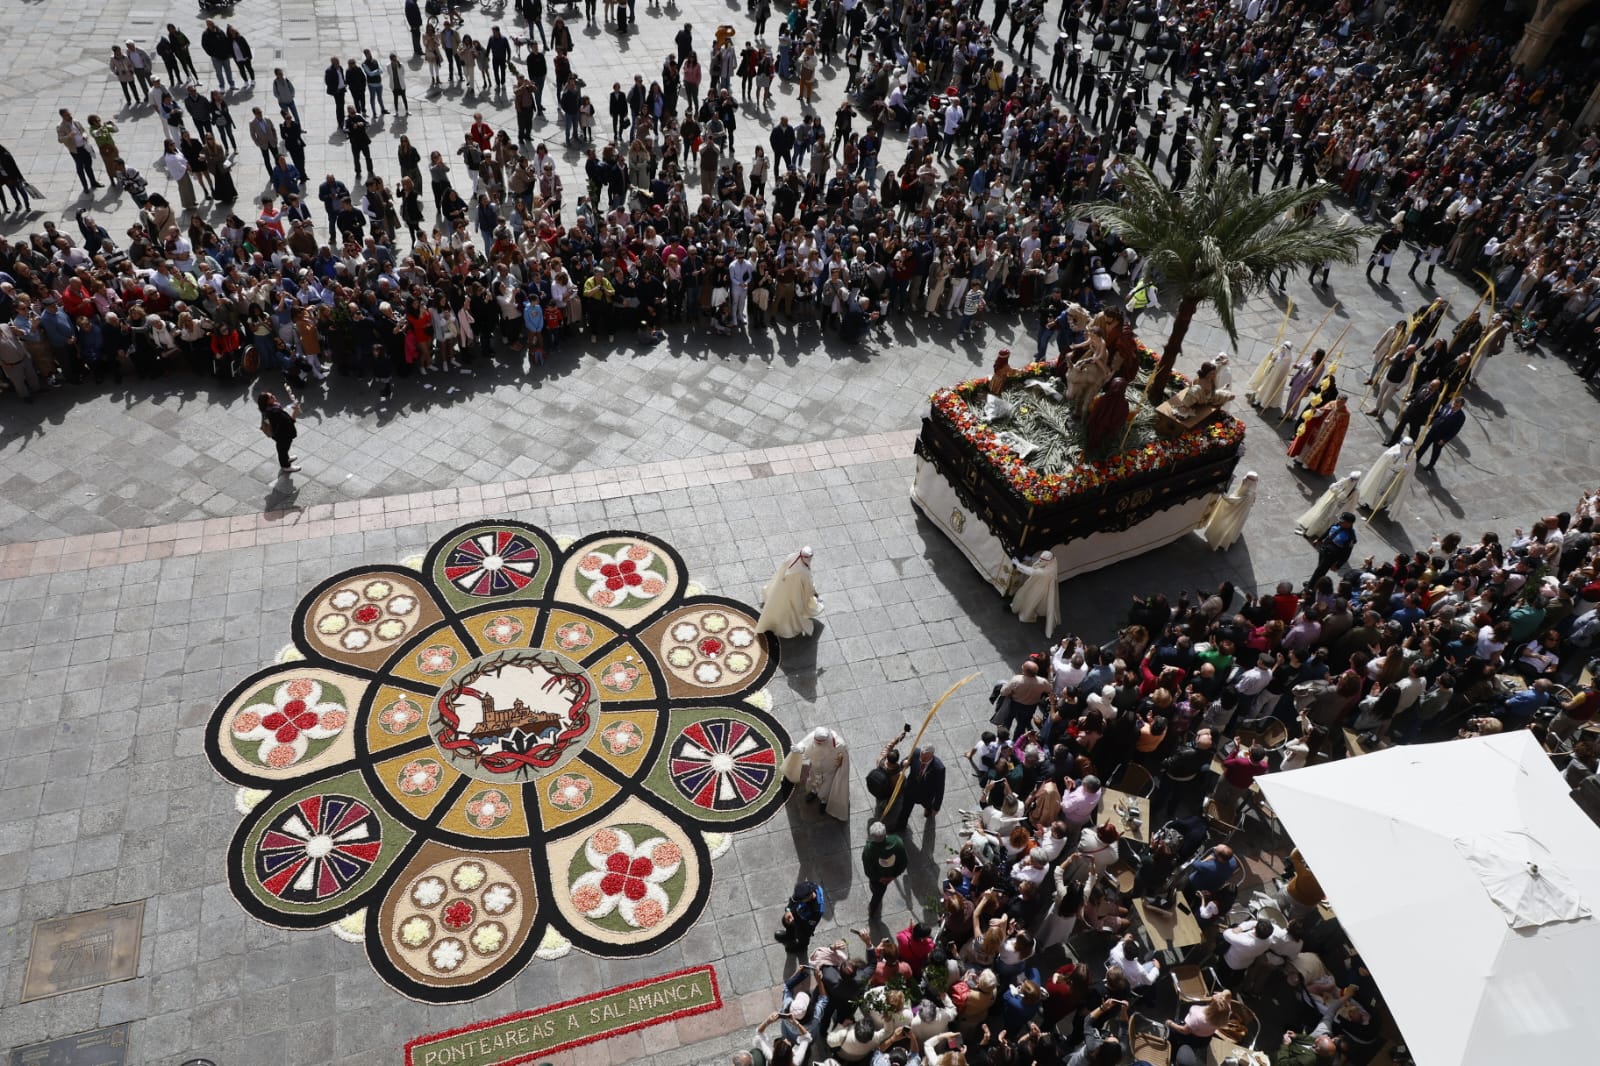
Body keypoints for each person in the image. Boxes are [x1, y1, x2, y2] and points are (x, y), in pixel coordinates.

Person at [781, 726, 851, 820]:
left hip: (829, 772)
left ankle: (824, 801)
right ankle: (813, 792)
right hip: (814, 768)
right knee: (812, 782)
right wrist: (800, 748)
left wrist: (840, 771)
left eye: (820, 743)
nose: (817, 744)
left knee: (826, 789)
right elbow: (805, 743)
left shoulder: (839, 745)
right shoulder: (815, 736)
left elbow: (844, 758)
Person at [755, 547, 823, 638]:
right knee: (793, 608)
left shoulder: (791, 557)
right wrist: (814, 593)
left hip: (781, 587)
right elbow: (808, 587)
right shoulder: (803, 572)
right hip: (795, 593)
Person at [1200, 471, 1258, 550]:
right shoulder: (1253, 490)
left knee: (1228, 523)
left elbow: (1234, 501)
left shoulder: (1248, 493)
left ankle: (1221, 541)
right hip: (1242, 511)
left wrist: (1223, 495)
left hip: (1236, 511)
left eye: (1247, 479)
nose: (1244, 480)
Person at [1358, 438, 1415, 518]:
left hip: (1396, 478)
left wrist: (1406, 468)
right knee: (1376, 490)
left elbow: (1409, 470)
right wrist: (1396, 455)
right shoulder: (1396, 448)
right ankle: (1368, 504)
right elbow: (1386, 456)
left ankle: (1380, 506)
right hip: (1386, 473)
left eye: (1405, 446)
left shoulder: (1412, 456)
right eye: (1402, 444)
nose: (1402, 447)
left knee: (1387, 494)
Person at [861, 821, 907, 914]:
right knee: (879, 893)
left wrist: (879, 878)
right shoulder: (897, 842)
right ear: (885, 832)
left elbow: (868, 870)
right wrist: (893, 876)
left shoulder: (868, 850)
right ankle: (873, 906)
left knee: (876, 891)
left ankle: (872, 909)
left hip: (877, 879)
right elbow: (904, 862)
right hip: (890, 875)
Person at [1009, 550, 1060, 635]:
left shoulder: (1045, 572)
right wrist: (1030, 558)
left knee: (1031, 600)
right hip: (1039, 583)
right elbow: (1040, 560)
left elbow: (1030, 571)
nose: (1040, 561)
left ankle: (1026, 615)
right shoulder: (1053, 560)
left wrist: (1017, 564)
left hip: (1039, 588)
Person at [1297, 471, 1361, 535]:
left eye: (1353, 480)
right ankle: (1312, 530)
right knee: (1322, 515)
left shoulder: (1356, 492)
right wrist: (1340, 488)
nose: (1351, 481)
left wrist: (1344, 513)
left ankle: (1321, 533)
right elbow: (1332, 488)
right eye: (1350, 479)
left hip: (1339, 508)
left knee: (1330, 520)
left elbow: (1351, 505)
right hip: (1331, 502)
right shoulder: (1343, 481)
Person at [1309, 513, 1358, 587]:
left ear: (1349, 523)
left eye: (1343, 521)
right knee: (1319, 569)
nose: (1340, 522)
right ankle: (1316, 583)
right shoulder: (1337, 525)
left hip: (1331, 556)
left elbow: (1347, 553)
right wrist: (1319, 540)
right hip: (1324, 549)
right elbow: (1328, 531)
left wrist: (1338, 565)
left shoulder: (1350, 537)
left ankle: (1310, 587)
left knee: (1319, 572)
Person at [257, 390, 300, 475]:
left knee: (283, 449)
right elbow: (289, 421)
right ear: (267, 402)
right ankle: (286, 466)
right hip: (282, 435)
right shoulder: (274, 412)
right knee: (283, 449)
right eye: (271, 397)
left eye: (272, 395)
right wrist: (296, 411)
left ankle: (286, 458)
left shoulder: (270, 408)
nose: (273, 396)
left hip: (278, 434)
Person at [1419, 397, 1468, 471]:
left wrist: (1444, 440)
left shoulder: (1461, 417)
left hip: (1441, 436)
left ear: (1461, 407)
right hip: (1433, 430)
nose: (1454, 406)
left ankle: (1431, 464)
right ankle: (1417, 457)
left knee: (1436, 451)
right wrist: (1432, 418)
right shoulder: (1448, 406)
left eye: (1456, 406)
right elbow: (1439, 414)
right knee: (1424, 445)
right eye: (1454, 404)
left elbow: (1454, 431)